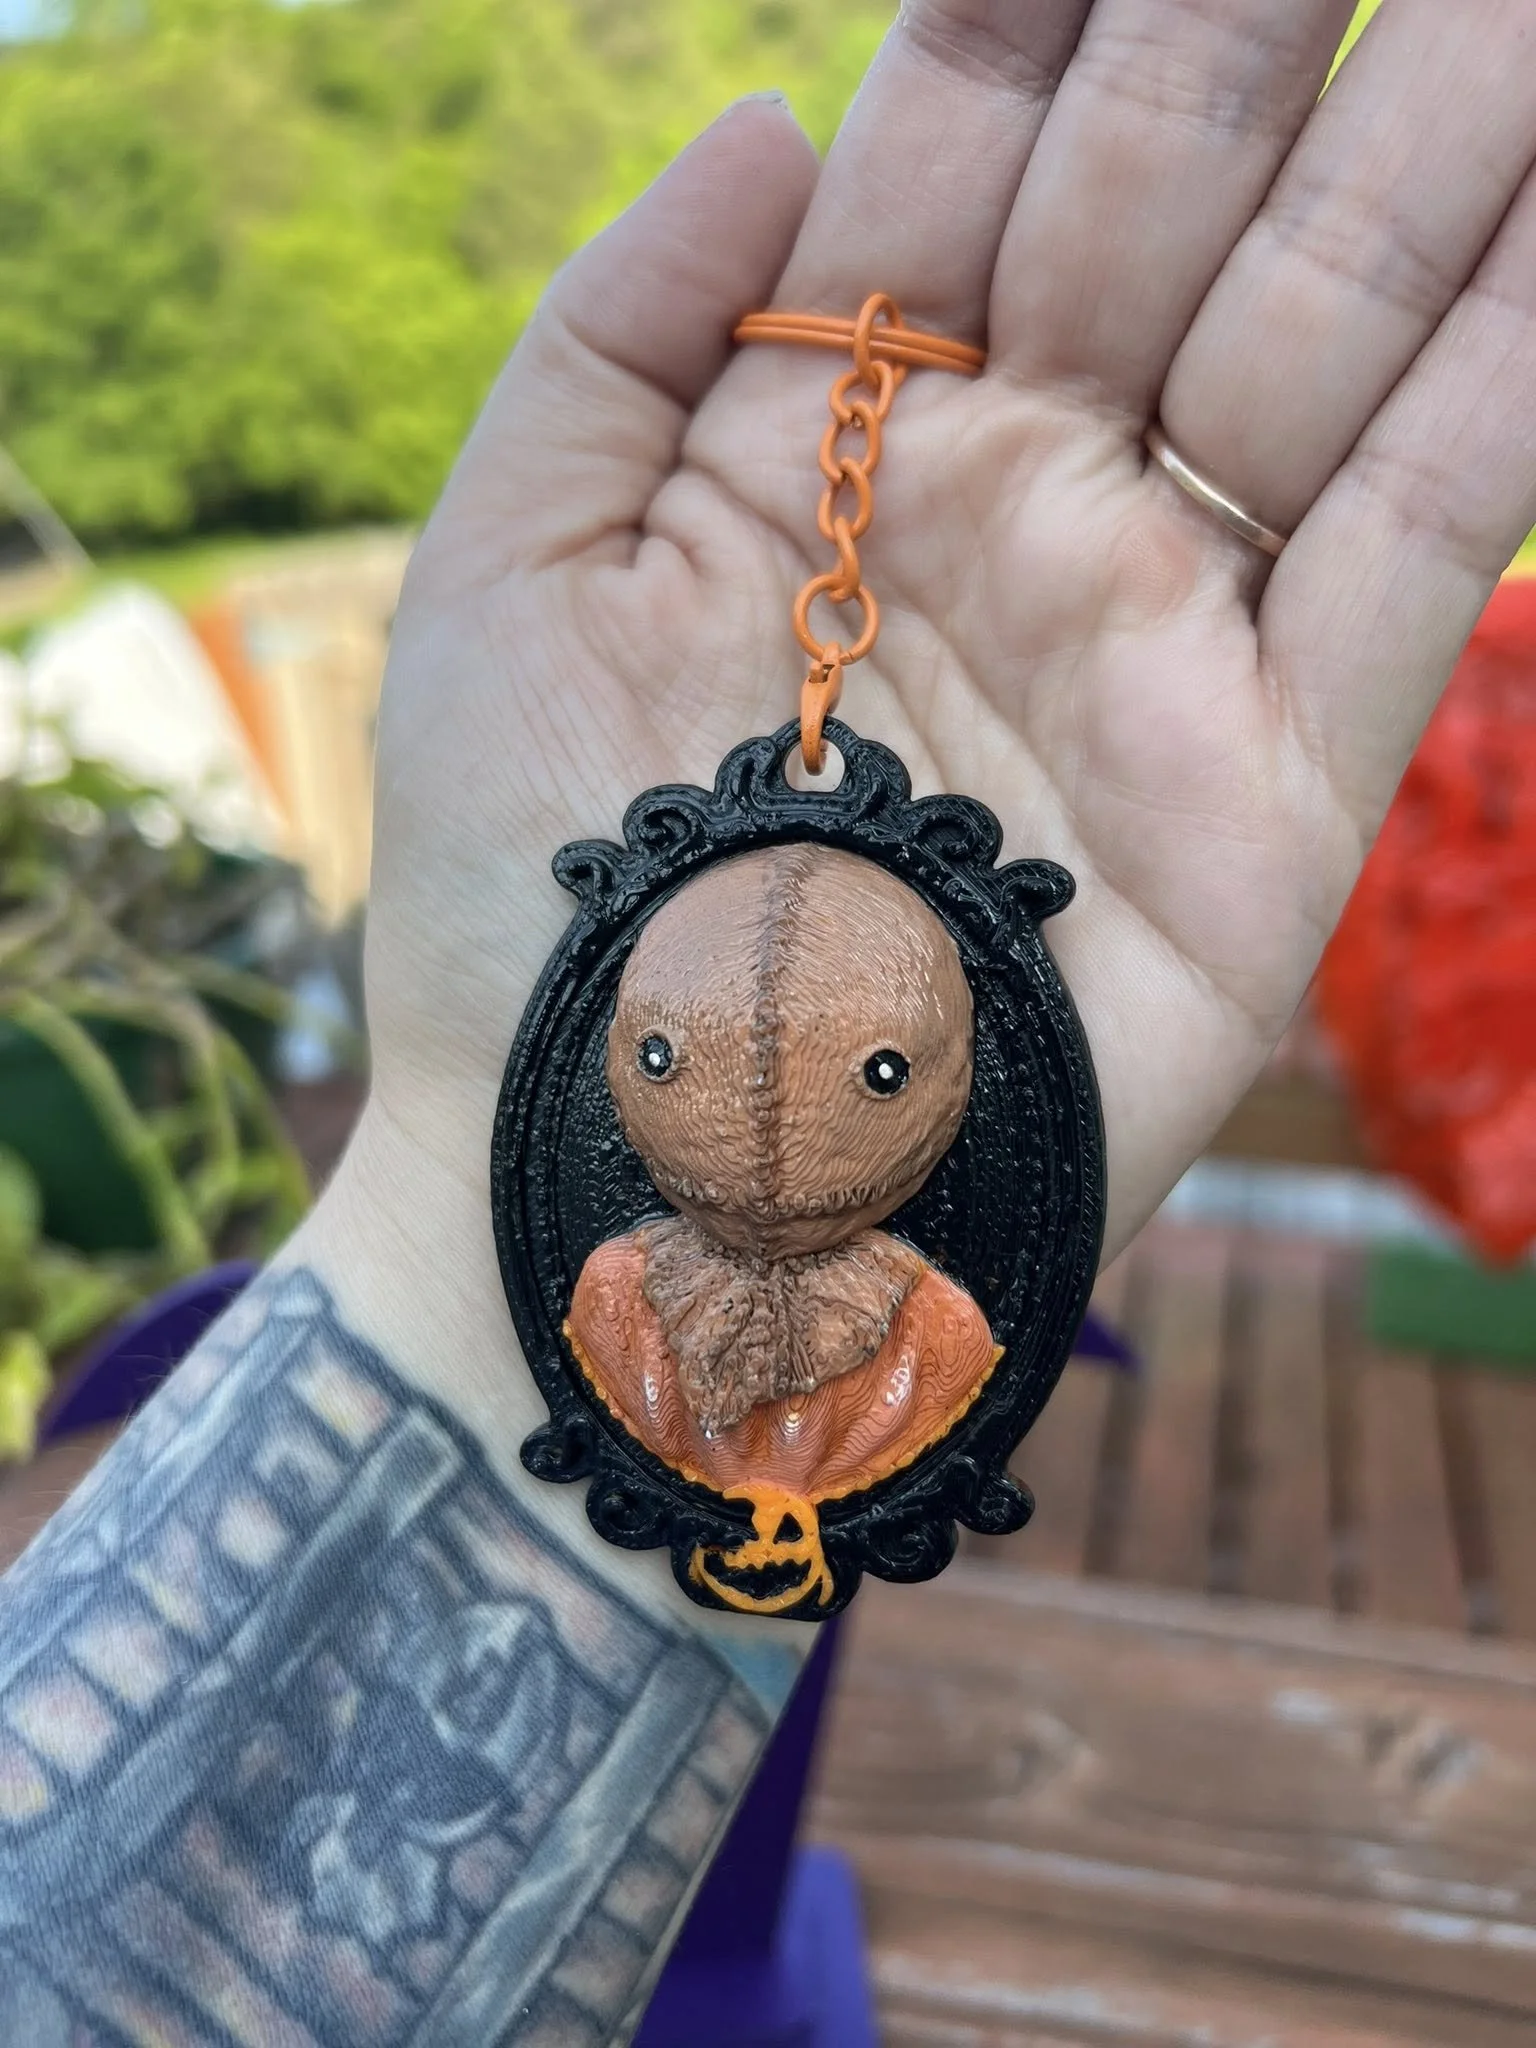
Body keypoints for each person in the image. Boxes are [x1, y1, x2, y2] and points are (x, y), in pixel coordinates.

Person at [3, 4, 1534, 2040]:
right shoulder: (613, 1303)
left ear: (946, 1081)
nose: (772, 1130)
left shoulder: (936, 1340)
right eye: (669, 1066)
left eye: (875, 1077)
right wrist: (459, 1266)